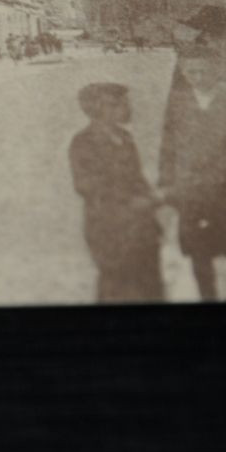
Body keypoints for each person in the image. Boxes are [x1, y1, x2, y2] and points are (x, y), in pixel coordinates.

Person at [157, 41, 226, 301]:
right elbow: (168, 145)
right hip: (193, 189)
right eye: (191, 72)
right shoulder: (178, 102)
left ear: (217, 69)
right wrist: (165, 182)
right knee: (198, 252)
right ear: (184, 71)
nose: (198, 77)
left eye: (204, 71)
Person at [69, 82, 163, 303]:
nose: (127, 108)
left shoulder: (125, 138)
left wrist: (152, 198)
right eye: (118, 104)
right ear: (100, 109)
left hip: (141, 225)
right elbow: (85, 185)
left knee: (150, 288)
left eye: (125, 103)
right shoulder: (82, 142)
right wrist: (131, 201)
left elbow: (137, 177)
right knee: (118, 290)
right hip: (109, 228)